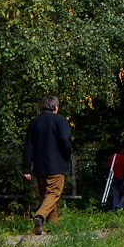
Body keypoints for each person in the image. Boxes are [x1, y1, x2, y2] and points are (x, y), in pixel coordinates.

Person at [22, 95, 72, 236]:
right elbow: (65, 141)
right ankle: (39, 217)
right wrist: (66, 157)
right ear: (56, 107)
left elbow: (28, 146)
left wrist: (27, 168)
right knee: (53, 194)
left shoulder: (34, 122)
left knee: (47, 198)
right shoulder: (60, 120)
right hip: (56, 165)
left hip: (39, 167)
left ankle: (54, 228)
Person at [107, 143, 124, 210]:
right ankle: (118, 208)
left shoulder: (112, 157)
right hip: (121, 180)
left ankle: (114, 209)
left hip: (112, 179)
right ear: (123, 149)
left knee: (116, 195)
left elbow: (108, 167)